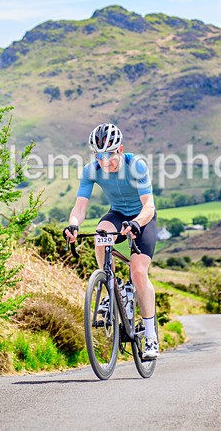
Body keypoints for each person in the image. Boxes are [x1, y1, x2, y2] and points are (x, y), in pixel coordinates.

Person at [64, 123, 159, 359]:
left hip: (142, 218)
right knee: (100, 235)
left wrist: (137, 223)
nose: (106, 161)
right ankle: (110, 286)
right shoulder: (90, 170)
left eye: (110, 155)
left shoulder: (135, 165)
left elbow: (149, 205)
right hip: (117, 213)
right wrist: (73, 224)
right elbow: (80, 207)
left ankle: (150, 337)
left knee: (138, 273)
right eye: (100, 156)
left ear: (121, 149)